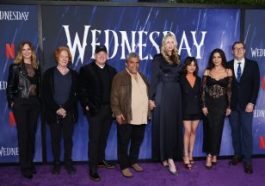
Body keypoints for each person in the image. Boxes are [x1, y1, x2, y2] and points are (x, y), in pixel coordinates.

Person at [79, 45, 117, 181]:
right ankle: (93, 168)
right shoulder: (86, 70)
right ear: (95, 56)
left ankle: (100, 160)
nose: (101, 56)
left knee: (103, 137)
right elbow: (81, 90)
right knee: (94, 139)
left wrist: (115, 108)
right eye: (99, 54)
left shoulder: (112, 71)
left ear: (107, 56)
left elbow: (116, 92)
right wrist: (87, 106)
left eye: (104, 54)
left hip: (108, 110)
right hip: (95, 110)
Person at [111, 53, 149, 178]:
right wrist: (117, 112)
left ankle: (133, 161)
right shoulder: (119, 77)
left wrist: (150, 103)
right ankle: (124, 166)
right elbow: (114, 97)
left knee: (137, 141)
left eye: (137, 62)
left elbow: (146, 94)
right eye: (132, 62)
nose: (135, 65)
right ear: (126, 63)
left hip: (142, 116)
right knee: (123, 142)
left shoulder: (142, 76)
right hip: (126, 116)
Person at [149, 32, 182, 175]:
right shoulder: (158, 58)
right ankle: (169, 158)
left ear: (175, 44)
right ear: (164, 44)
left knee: (173, 125)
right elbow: (155, 79)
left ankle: (167, 155)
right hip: (163, 92)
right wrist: (151, 98)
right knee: (165, 125)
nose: (170, 44)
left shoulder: (179, 59)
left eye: (172, 42)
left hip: (176, 93)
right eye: (167, 42)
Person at [6, 41, 40, 179]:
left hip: (34, 104)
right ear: (21, 52)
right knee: (23, 135)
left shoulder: (37, 67)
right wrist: (13, 103)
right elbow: (9, 88)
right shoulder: (15, 67)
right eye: (24, 49)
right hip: (20, 103)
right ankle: (25, 166)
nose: (26, 52)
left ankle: (30, 163)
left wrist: (39, 102)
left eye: (29, 49)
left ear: (32, 51)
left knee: (31, 135)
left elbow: (39, 87)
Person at [42, 46, 78, 175]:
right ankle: (56, 163)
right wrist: (57, 109)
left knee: (68, 139)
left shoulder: (74, 74)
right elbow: (46, 95)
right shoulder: (48, 73)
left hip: (68, 112)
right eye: (62, 56)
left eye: (66, 56)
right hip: (53, 113)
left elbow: (75, 95)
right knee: (55, 139)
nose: (64, 59)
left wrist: (65, 108)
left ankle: (68, 163)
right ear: (57, 57)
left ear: (69, 59)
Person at [227, 41, 260, 174]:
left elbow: (256, 85)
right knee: (235, 132)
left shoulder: (253, 65)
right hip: (233, 106)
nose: (239, 51)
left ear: (245, 50)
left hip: (247, 106)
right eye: (236, 49)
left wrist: (252, 102)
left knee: (246, 133)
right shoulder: (227, 65)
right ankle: (238, 155)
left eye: (241, 48)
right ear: (232, 51)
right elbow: (226, 87)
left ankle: (247, 161)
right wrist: (227, 105)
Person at [201, 48, 232, 169]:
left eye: (219, 57)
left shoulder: (228, 71)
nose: (216, 59)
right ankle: (209, 155)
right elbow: (202, 90)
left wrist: (229, 106)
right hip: (209, 104)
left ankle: (214, 153)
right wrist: (203, 105)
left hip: (221, 104)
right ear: (211, 59)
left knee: (218, 130)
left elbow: (229, 90)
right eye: (214, 57)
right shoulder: (207, 71)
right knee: (209, 129)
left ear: (222, 58)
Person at [179, 57, 201, 169]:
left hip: (197, 109)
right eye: (189, 65)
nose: (192, 67)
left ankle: (191, 154)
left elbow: (201, 96)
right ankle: (185, 155)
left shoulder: (199, 79)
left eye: (194, 65)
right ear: (186, 66)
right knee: (187, 132)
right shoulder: (181, 79)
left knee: (193, 131)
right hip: (185, 109)